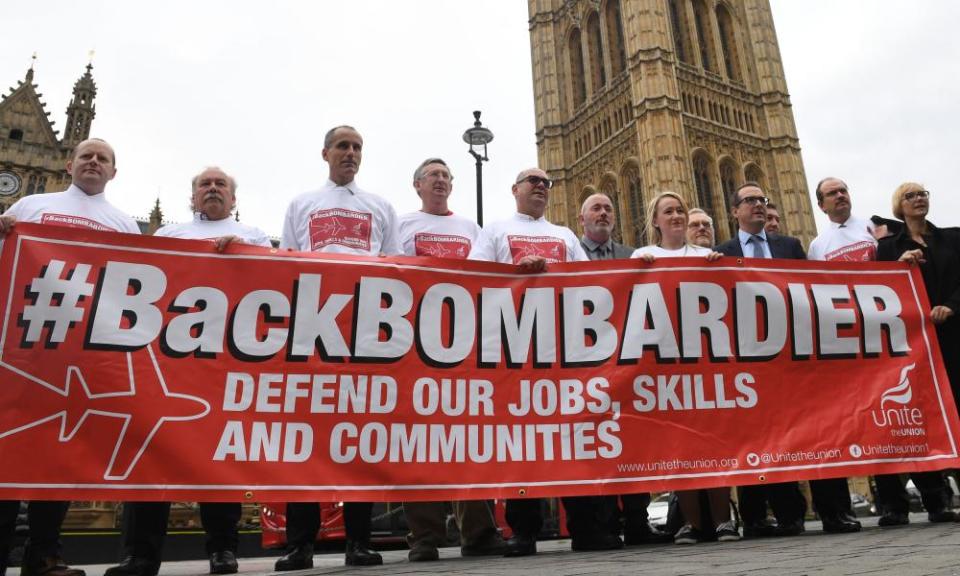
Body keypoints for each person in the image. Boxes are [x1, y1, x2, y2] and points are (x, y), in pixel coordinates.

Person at [103, 167, 271, 576]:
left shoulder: (255, 237)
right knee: (151, 454)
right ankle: (140, 554)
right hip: (169, 361)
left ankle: (223, 549)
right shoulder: (168, 237)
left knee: (217, 457)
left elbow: (273, 287)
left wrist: (245, 255)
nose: (212, 190)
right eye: (204, 185)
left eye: (221, 185)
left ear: (233, 198)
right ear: (192, 197)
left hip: (227, 359)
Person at [0, 138, 138, 576]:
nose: (94, 162)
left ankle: (43, 553)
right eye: (86, 156)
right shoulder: (29, 207)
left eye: (103, 158)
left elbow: (132, 287)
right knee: (7, 447)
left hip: (82, 352)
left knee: (59, 452)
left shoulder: (124, 223)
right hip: (24, 347)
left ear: (113, 171)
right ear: (68, 163)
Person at [470, 168, 622, 557]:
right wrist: (515, 271)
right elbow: (472, 278)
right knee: (523, 443)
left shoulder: (565, 236)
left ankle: (585, 528)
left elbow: (592, 283)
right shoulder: (495, 231)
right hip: (517, 351)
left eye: (546, 183)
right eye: (532, 181)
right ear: (514, 188)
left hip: (565, 350)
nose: (540, 186)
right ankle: (524, 530)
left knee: (574, 441)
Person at [276, 125, 401, 569]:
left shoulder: (381, 207)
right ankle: (300, 545)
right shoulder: (301, 203)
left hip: (364, 332)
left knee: (360, 437)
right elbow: (286, 267)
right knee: (304, 440)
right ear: (325, 153)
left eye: (357, 147)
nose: (351, 153)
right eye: (343, 146)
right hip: (312, 331)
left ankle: (359, 542)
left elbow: (395, 270)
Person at [397, 158, 505, 561]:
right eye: (433, 175)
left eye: (446, 176)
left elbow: (484, 275)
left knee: (467, 438)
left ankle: (478, 533)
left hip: (462, 343)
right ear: (417, 184)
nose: (441, 181)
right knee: (418, 443)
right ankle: (423, 538)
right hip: (416, 343)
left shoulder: (470, 229)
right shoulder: (402, 223)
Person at [630, 192, 735, 545]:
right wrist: (636, 271)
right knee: (679, 445)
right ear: (655, 220)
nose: (676, 216)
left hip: (706, 361)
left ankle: (723, 522)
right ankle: (690, 523)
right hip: (666, 363)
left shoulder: (707, 256)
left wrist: (720, 266)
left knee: (714, 442)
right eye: (668, 211)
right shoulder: (643, 256)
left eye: (680, 211)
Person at [714, 182, 808, 538]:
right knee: (750, 436)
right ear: (734, 211)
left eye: (761, 200)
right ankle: (753, 516)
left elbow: (811, 289)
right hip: (744, 358)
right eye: (750, 201)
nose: (757, 205)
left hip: (787, 353)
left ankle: (791, 513)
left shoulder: (789, 246)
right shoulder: (720, 253)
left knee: (789, 435)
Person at [577, 193, 671, 545]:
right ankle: (598, 525)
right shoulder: (572, 253)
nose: (603, 213)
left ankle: (637, 521)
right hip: (584, 364)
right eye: (595, 209)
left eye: (608, 209)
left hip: (626, 363)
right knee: (590, 444)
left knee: (631, 440)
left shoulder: (631, 255)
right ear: (581, 219)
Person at [877, 182, 960, 525]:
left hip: (954, 333)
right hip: (916, 344)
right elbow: (881, 290)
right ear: (900, 205)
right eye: (911, 195)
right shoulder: (889, 248)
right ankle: (935, 497)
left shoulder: (953, 237)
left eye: (923, 193)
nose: (919, 199)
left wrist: (950, 307)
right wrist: (900, 265)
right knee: (922, 416)